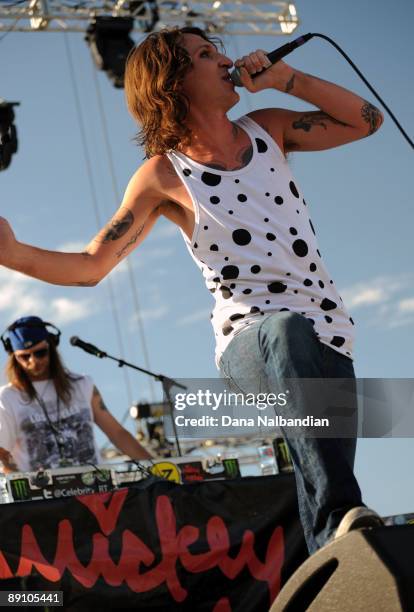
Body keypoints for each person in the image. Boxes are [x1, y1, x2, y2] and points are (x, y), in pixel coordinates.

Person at [0, 27, 384, 552]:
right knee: (286, 337)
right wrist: (13, 254)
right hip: (251, 340)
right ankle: (344, 521)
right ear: (171, 83)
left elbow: (366, 121)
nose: (225, 59)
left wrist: (285, 79)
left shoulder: (269, 129)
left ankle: (338, 564)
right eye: (206, 54)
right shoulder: (164, 175)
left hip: (331, 340)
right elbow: (93, 265)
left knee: (329, 504)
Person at [0, 316, 151, 472]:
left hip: (97, 490)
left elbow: (117, 434)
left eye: (40, 353)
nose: (33, 361)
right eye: (24, 356)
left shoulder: (83, 384)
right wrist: (23, 485)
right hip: (43, 494)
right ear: (14, 357)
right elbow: (2, 453)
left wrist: (158, 470)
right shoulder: (8, 397)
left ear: (51, 346)